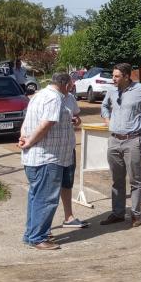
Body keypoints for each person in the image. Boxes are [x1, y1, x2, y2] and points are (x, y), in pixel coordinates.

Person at [98, 63, 141, 228]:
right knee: (116, 179)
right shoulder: (112, 90)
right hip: (114, 140)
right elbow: (104, 105)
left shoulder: (140, 90)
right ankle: (118, 213)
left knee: (135, 179)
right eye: (113, 76)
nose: (113, 79)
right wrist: (107, 120)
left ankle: (135, 214)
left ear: (127, 76)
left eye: (117, 76)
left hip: (132, 140)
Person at [18, 71, 74, 251]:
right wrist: (30, 141)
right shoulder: (54, 98)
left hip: (38, 157)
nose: (71, 89)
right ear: (65, 85)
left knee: (36, 197)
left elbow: (27, 121)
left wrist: (23, 137)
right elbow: (46, 124)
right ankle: (38, 237)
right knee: (46, 199)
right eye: (71, 86)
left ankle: (31, 235)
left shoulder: (38, 95)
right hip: (47, 158)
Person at [59, 77, 88, 229]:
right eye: (71, 84)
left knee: (67, 182)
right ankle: (43, 226)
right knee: (49, 188)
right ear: (64, 84)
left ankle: (68, 217)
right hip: (54, 150)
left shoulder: (70, 98)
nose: (73, 86)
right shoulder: (48, 97)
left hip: (69, 146)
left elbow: (77, 118)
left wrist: (76, 121)